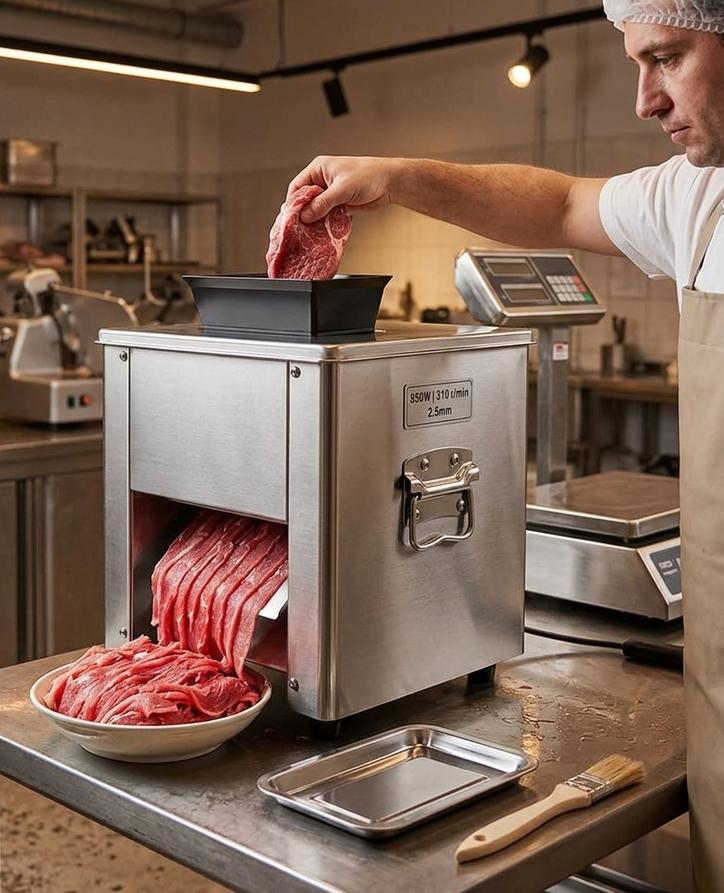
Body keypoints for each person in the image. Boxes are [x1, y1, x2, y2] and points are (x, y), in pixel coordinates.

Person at [284, 1, 724, 888]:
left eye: (668, 58)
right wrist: (393, 176)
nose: (644, 98)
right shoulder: (699, 199)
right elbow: (560, 203)